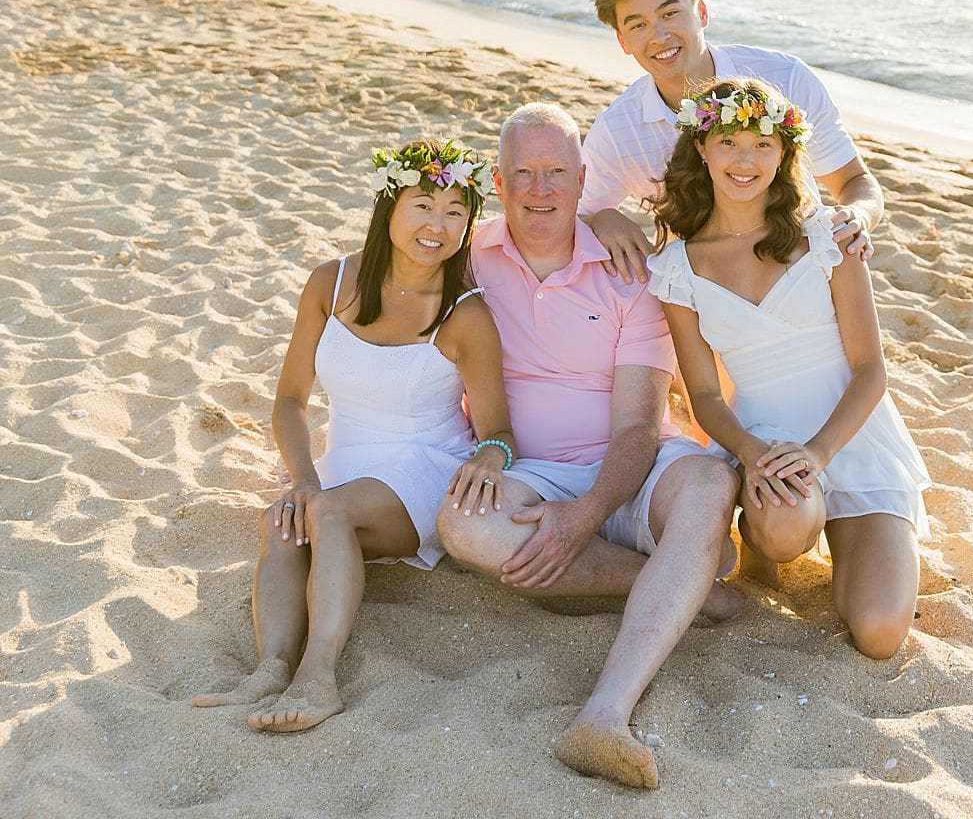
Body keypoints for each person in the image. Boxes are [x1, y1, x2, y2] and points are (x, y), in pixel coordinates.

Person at [436, 101, 741, 792]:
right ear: (498, 179)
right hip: (528, 470)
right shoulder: (465, 257)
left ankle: (605, 714)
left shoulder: (630, 271)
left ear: (582, 179)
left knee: (706, 486)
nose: (540, 191)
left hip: (631, 463)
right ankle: (681, 586)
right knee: (464, 526)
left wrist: (586, 516)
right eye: (524, 174)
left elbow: (638, 425)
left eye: (555, 173)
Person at [194, 139, 513, 733]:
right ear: (388, 207)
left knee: (330, 514)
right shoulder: (330, 282)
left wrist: (491, 461)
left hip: (423, 463)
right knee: (284, 520)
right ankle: (271, 668)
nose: (437, 226)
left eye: (455, 213)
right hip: (344, 460)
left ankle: (319, 676)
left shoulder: (465, 313)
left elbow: (497, 431)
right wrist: (302, 479)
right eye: (423, 204)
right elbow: (289, 401)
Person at [647, 78, 931, 655]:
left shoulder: (829, 236)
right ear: (702, 147)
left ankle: (863, 536)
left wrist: (819, 453)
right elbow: (703, 395)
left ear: (784, 153)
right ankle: (760, 536)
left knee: (879, 634)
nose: (745, 160)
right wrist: (752, 453)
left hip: (853, 438)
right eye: (729, 141)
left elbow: (871, 370)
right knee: (782, 532)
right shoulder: (678, 266)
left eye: (763, 144)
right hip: (767, 443)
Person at [580, 0, 883, 279]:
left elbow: (855, 181)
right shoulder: (619, 129)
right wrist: (603, 218)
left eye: (670, 13)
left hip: (804, 270)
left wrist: (859, 214)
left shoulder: (786, 78)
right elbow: (574, 214)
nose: (660, 36)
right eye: (638, 25)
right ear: (622, 40)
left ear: (702, 13)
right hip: (701, 291)